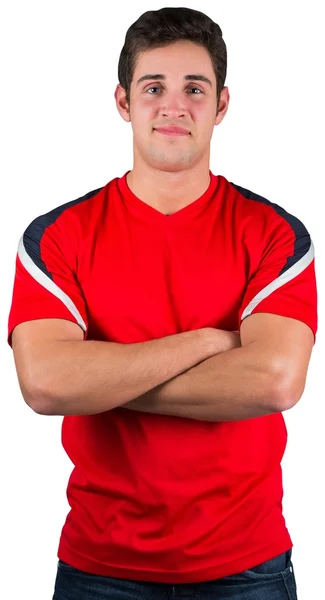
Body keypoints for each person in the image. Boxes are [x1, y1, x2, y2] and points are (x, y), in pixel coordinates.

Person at [7, 7, 317, 600]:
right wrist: (208, 342)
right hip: (99, 563)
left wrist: (101, 379)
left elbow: (275, 381)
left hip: (246, 565)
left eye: (194, 89)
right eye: (154, 88)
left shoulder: (275, 233)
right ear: (123, 102)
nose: (174, 106)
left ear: (221, 105)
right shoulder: (56, 236)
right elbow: (46, 384)